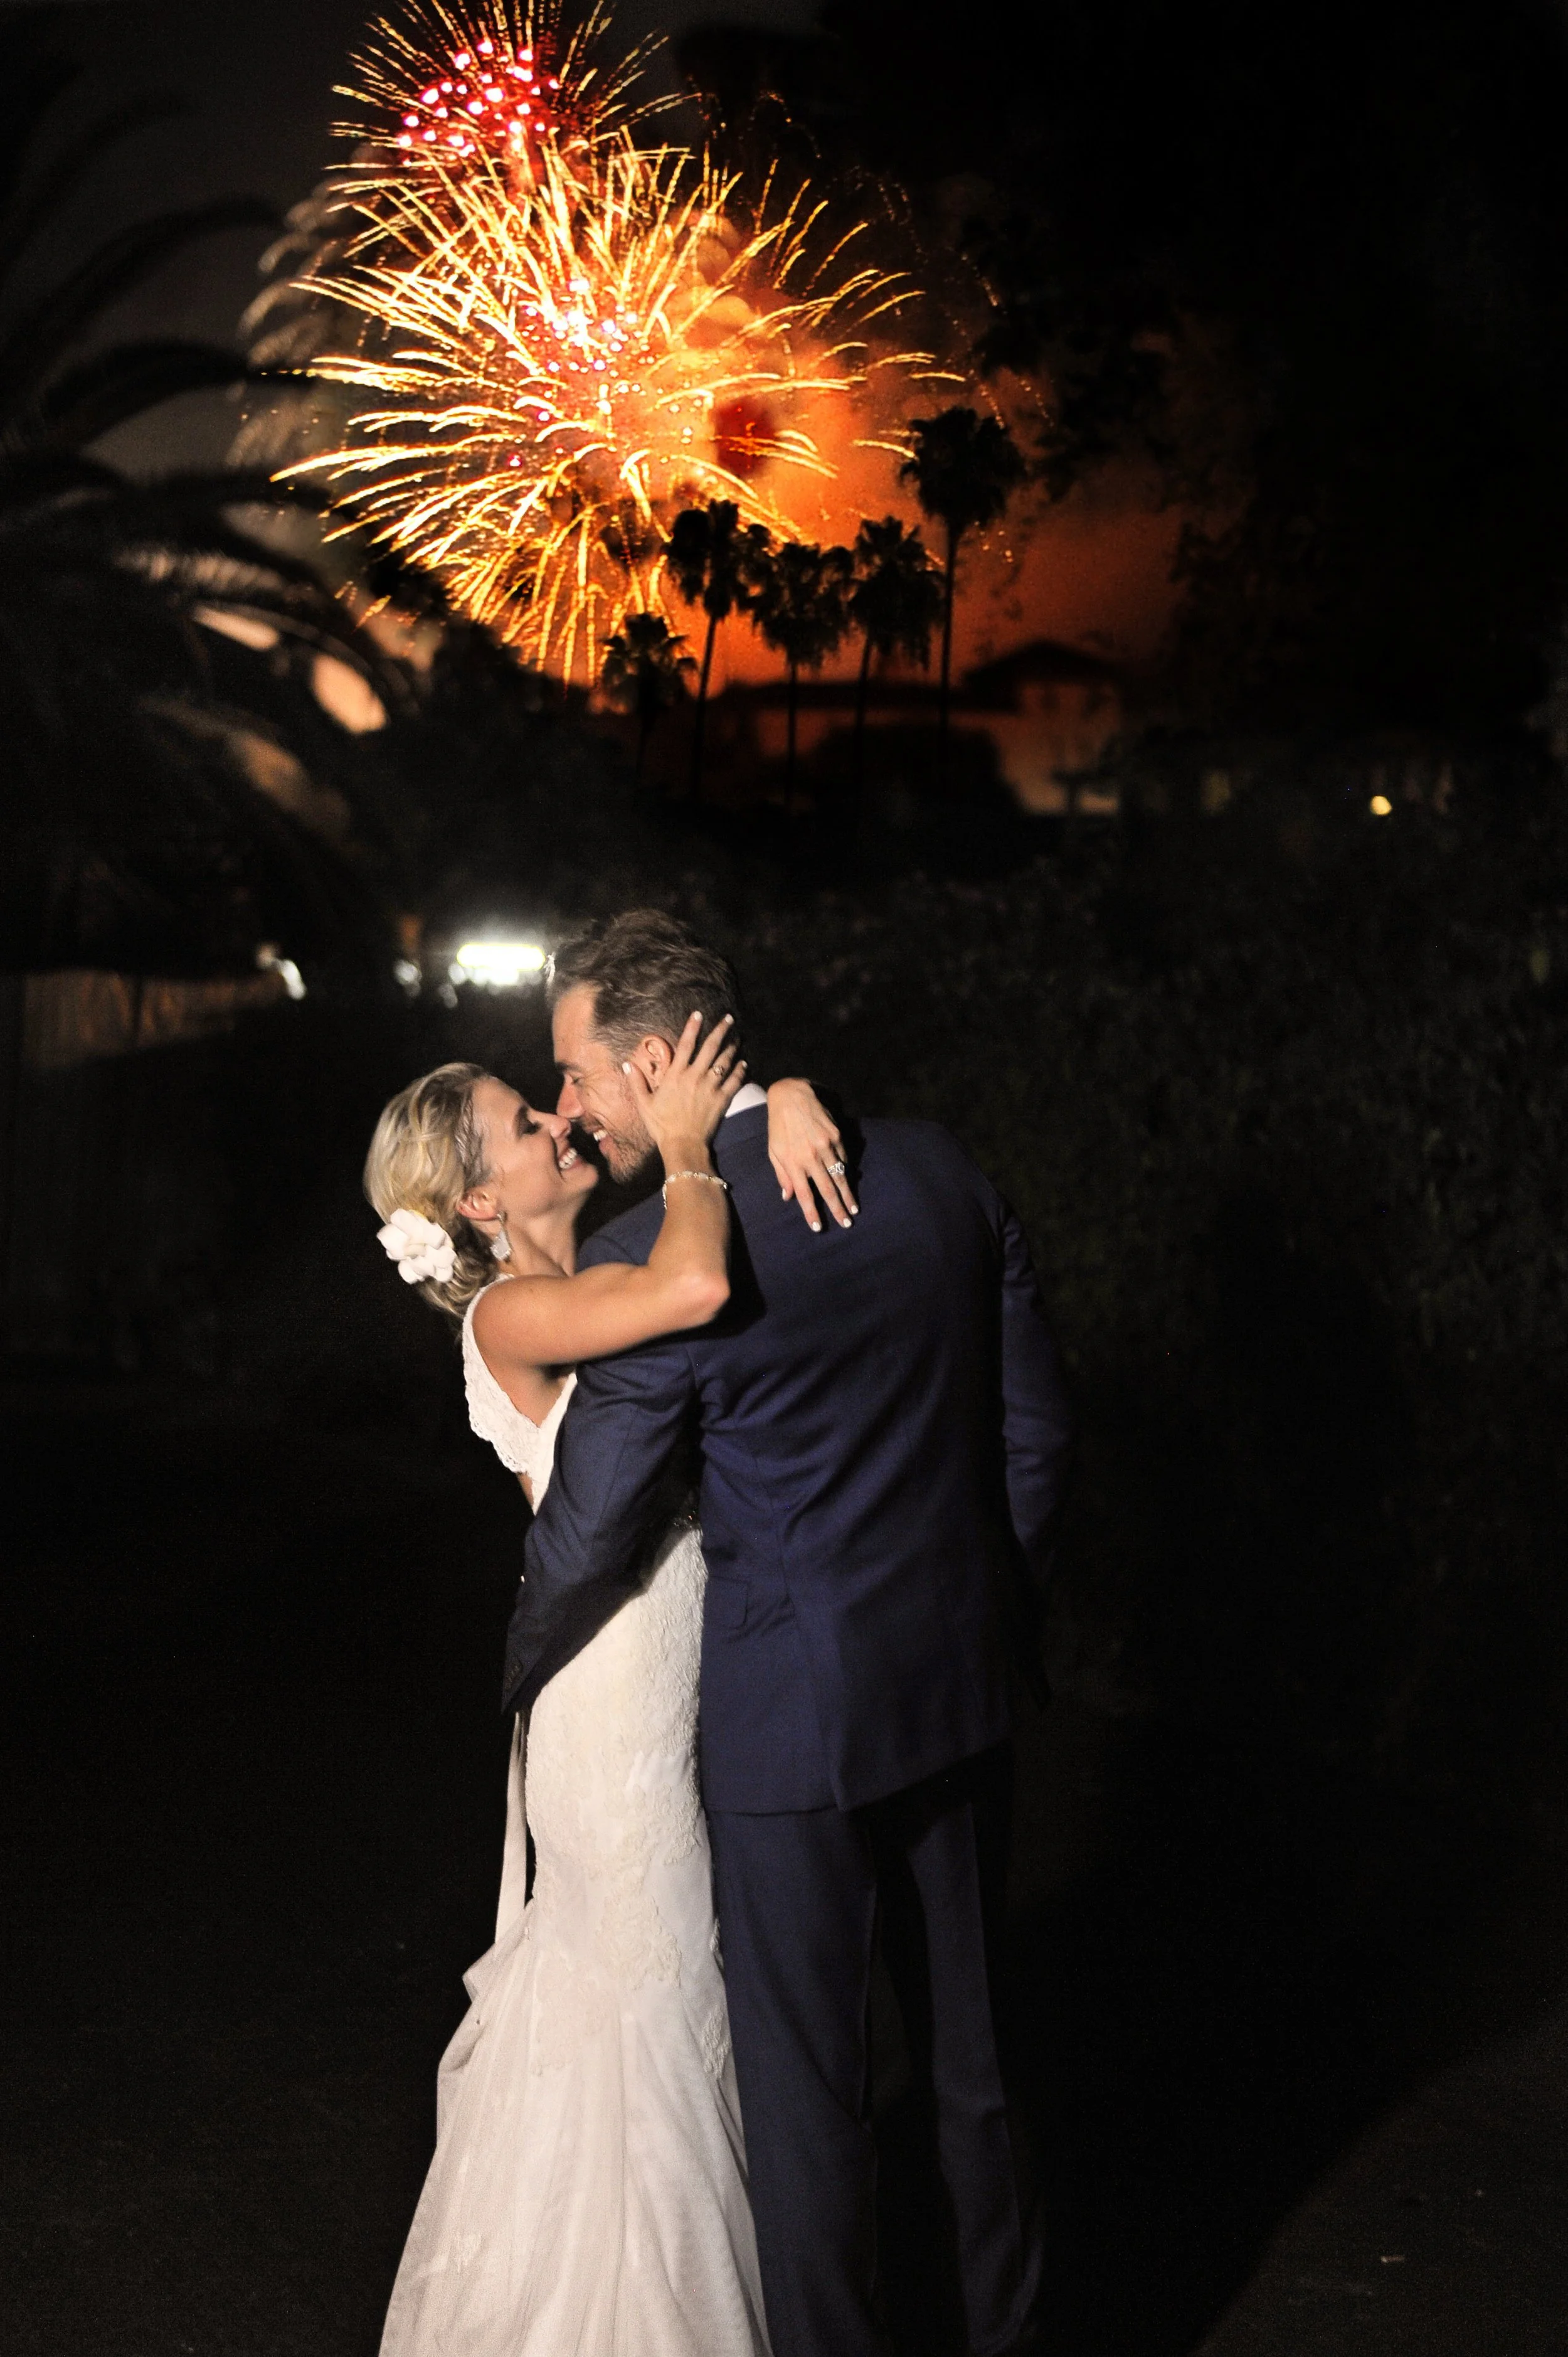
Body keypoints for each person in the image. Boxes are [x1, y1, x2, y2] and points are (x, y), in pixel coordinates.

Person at [508, 910, 1073, 2357]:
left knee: (809, 2099)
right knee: (972, 2069)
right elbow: (1032, 1439)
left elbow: (590, 1522)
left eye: (575, 1073)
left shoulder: (656, 1250)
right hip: (956, 1684)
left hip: (788, 1728)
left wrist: (520, 1675)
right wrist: (980, 1606)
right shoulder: (939, 1171)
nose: (569, 1104)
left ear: (650, 1063)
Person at [363, 1016, 847, 2357]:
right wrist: (690, 1141)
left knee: (692, 2005)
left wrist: (783, 1093)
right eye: (529, 1126)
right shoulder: (511, 1314)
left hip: (695, 1668)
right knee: (656, 2006)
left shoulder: (611, 1255)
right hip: (613, 1709)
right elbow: (697, 1289)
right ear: (477, 1201)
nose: (563, 1126)